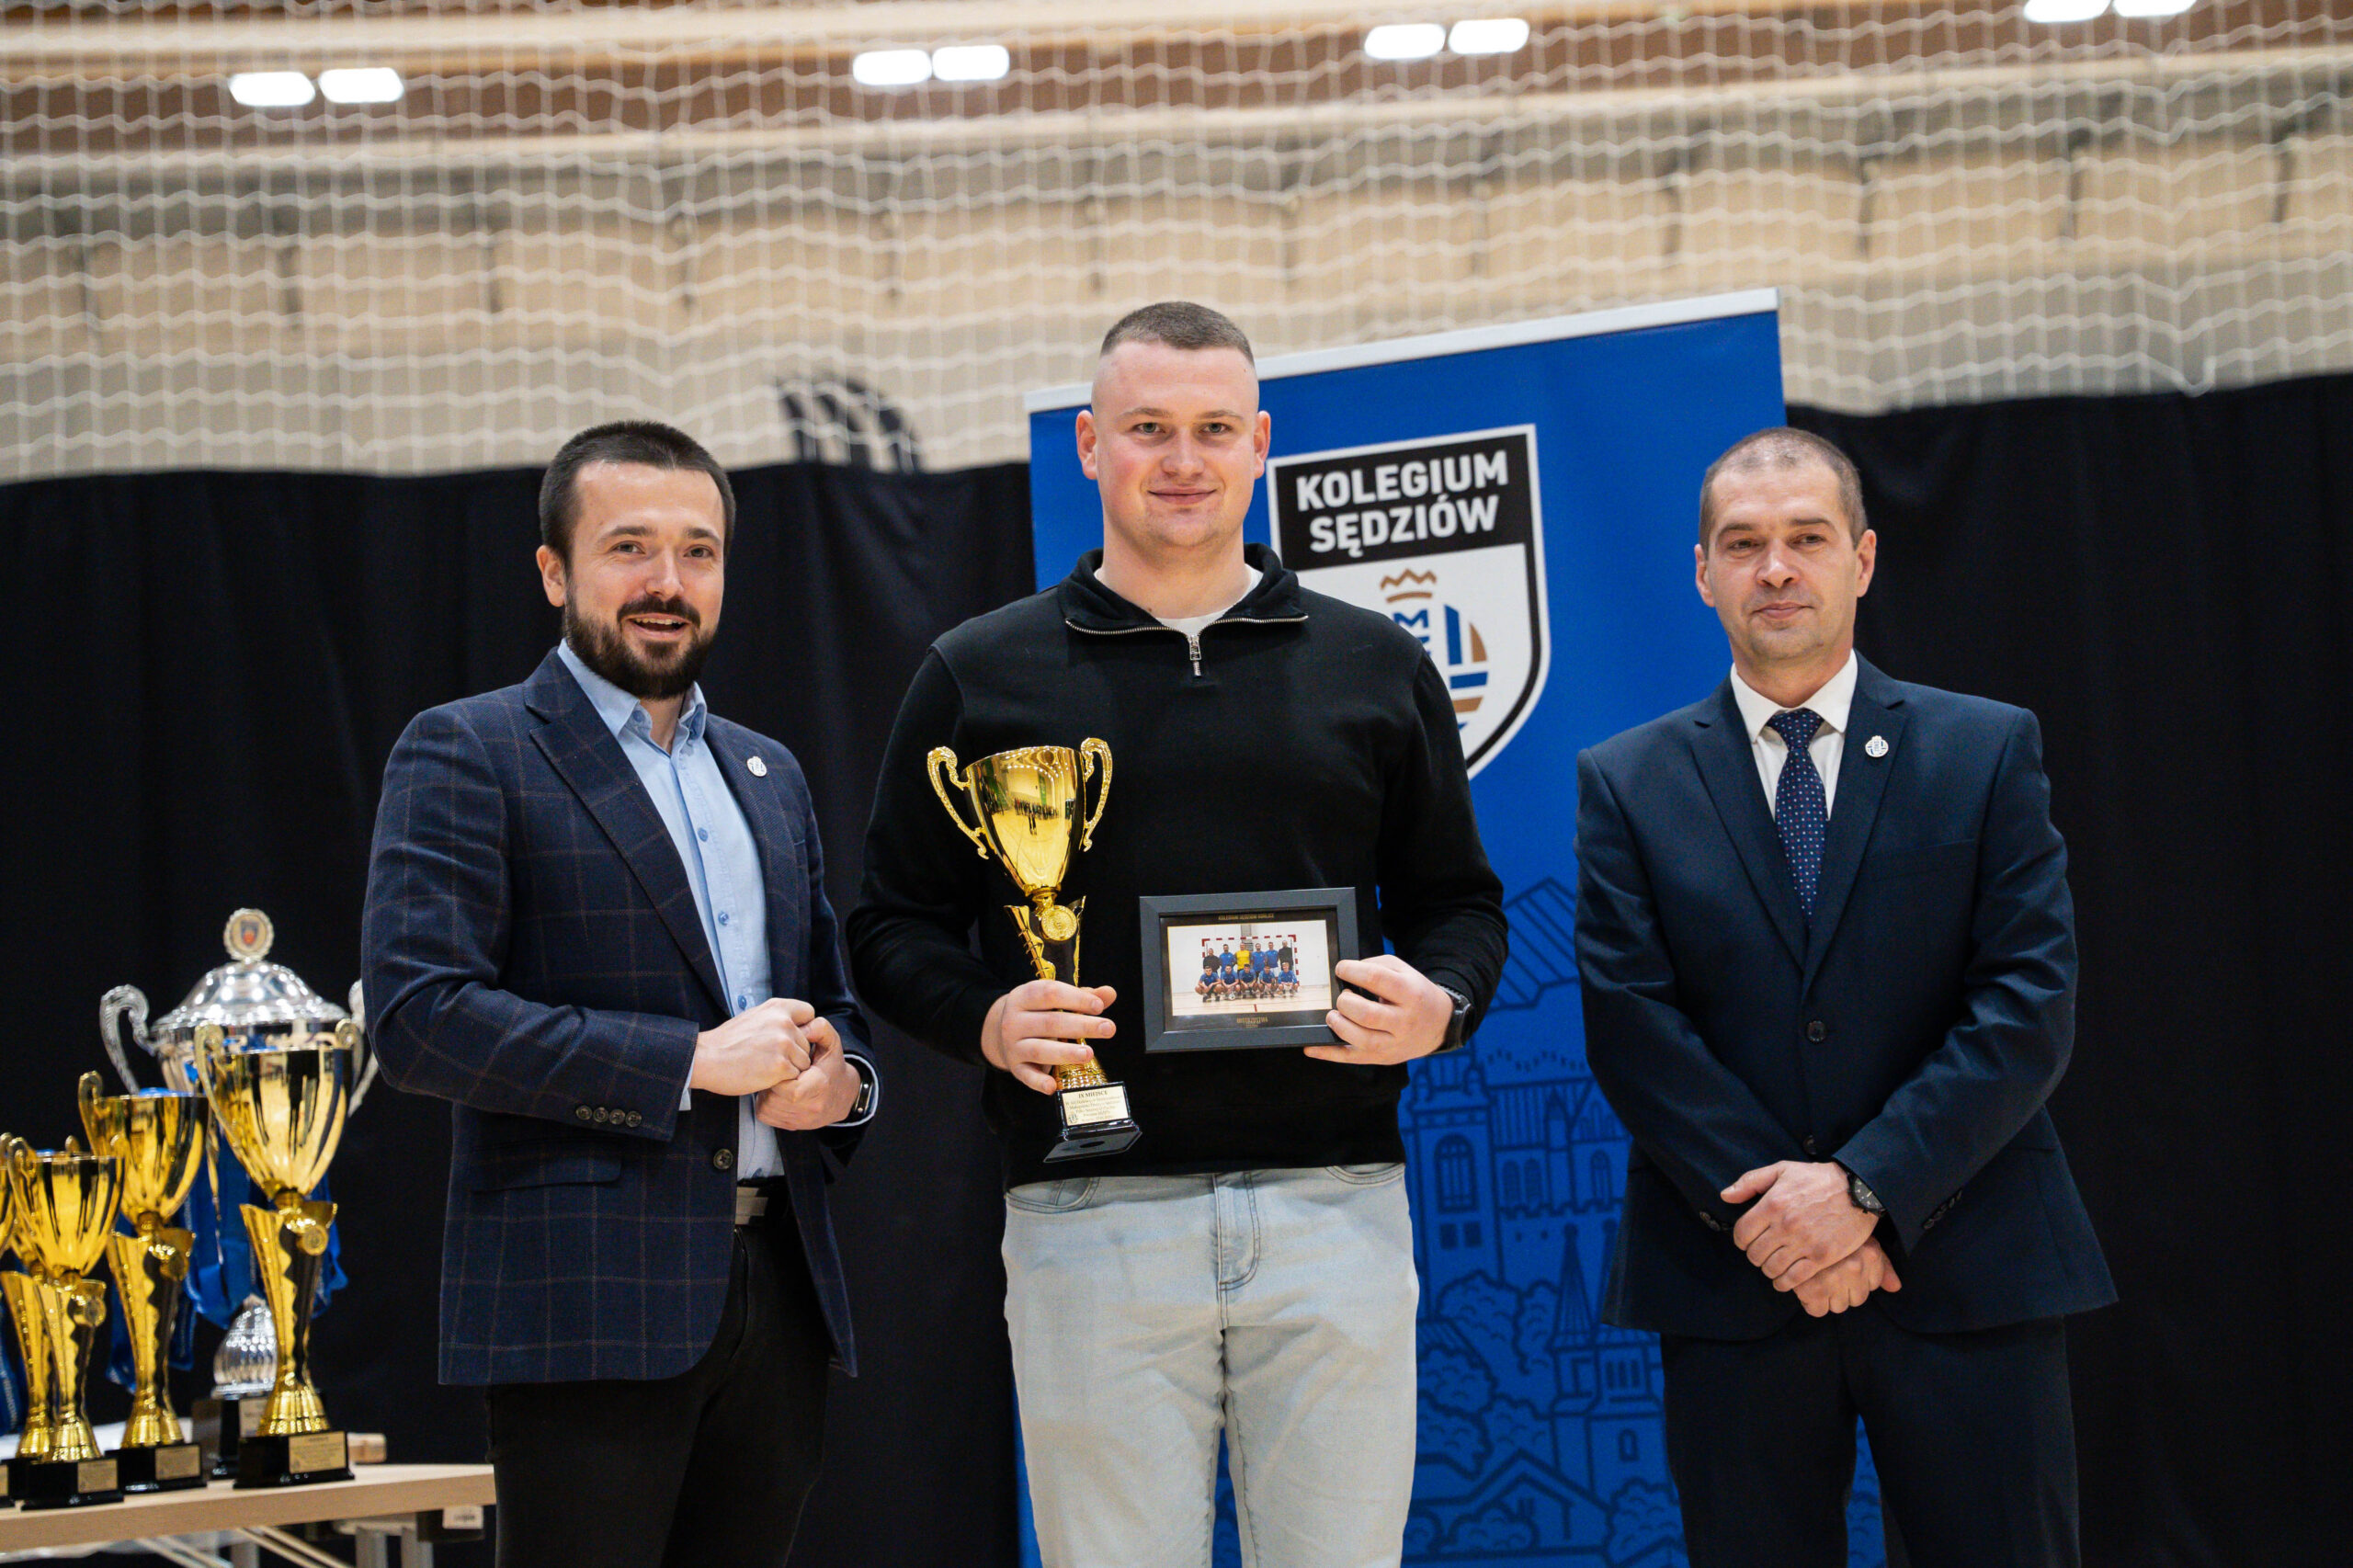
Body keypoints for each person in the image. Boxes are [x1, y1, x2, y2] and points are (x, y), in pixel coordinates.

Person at [847, 301, 1507, 1567]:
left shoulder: (1375, 662)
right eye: (1149, 427)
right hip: (1086, 1210)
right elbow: (889, 924)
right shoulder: (979, 672)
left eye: (1213, 428)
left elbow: (1460, 903)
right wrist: (985, 1016)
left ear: (1260, 443)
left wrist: (1442, 1006)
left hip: (1335, 1203)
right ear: (1089, 443)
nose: (1183, 459)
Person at [1572, 427, 2114, 1567]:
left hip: (1968, 1264)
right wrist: (1787, 1222)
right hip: (1735, 1278)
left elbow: (2026, 1001)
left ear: (1862, 558)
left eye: (1806, 538)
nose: (1775, 568)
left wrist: (1865, 1188)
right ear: (1702, 572)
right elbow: (1632, 1023)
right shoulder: (1626, 781)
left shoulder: (1983, 748)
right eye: (1743, 544)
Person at [361, 421, 880, 1568]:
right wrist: (686, 1061)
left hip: (780, 1293)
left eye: (698, 551)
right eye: (629, 547)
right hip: (583, 1302)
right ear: (555, 571)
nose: (666, 582)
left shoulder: (769, 773)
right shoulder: (469, 750)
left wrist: (841, 1083)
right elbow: (418, 1017)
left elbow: (832, 1010)